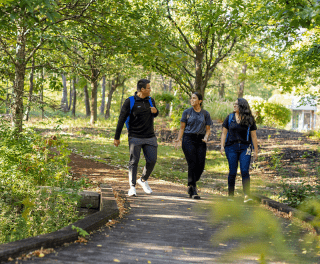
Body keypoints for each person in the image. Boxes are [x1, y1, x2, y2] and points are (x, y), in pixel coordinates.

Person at [114, 79, 159, 197]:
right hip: (135, 136)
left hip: (150, 136)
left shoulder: (150, 100)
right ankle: (132, 187)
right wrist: (117, 137)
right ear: (142, 89)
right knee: (134, 161)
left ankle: (143, 180)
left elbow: (154, 113)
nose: (150, 90)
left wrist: (156, 111)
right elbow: (121, 119)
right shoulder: (130, 101)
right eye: (148, 88)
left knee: (152, 160)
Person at [174, 92, 212, 199]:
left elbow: (208, 130)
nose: (192, 100)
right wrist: (178, 139)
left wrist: (206, 138)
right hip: (188, 139)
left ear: (200, 101)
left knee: (200, 165)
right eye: (191, 98)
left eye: (194, 98)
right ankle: (193, 188)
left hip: (201, 140)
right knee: (192, 162)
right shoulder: (186, 112)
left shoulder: (205, 114)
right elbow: (182, 128)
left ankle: (192, 184)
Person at [220, 98, 258, 203]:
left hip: (245, 148)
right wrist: (222, 146)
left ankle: (247, 196)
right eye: (234, 104)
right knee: (232, 171)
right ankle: (231, 196)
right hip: (231, 147)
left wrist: (256, 151)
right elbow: (224, 133)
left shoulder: (250, 119)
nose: (234, 105)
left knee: (244, 171)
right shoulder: (230, 117)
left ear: (242, 106)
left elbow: (254, 136)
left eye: (236, 104)